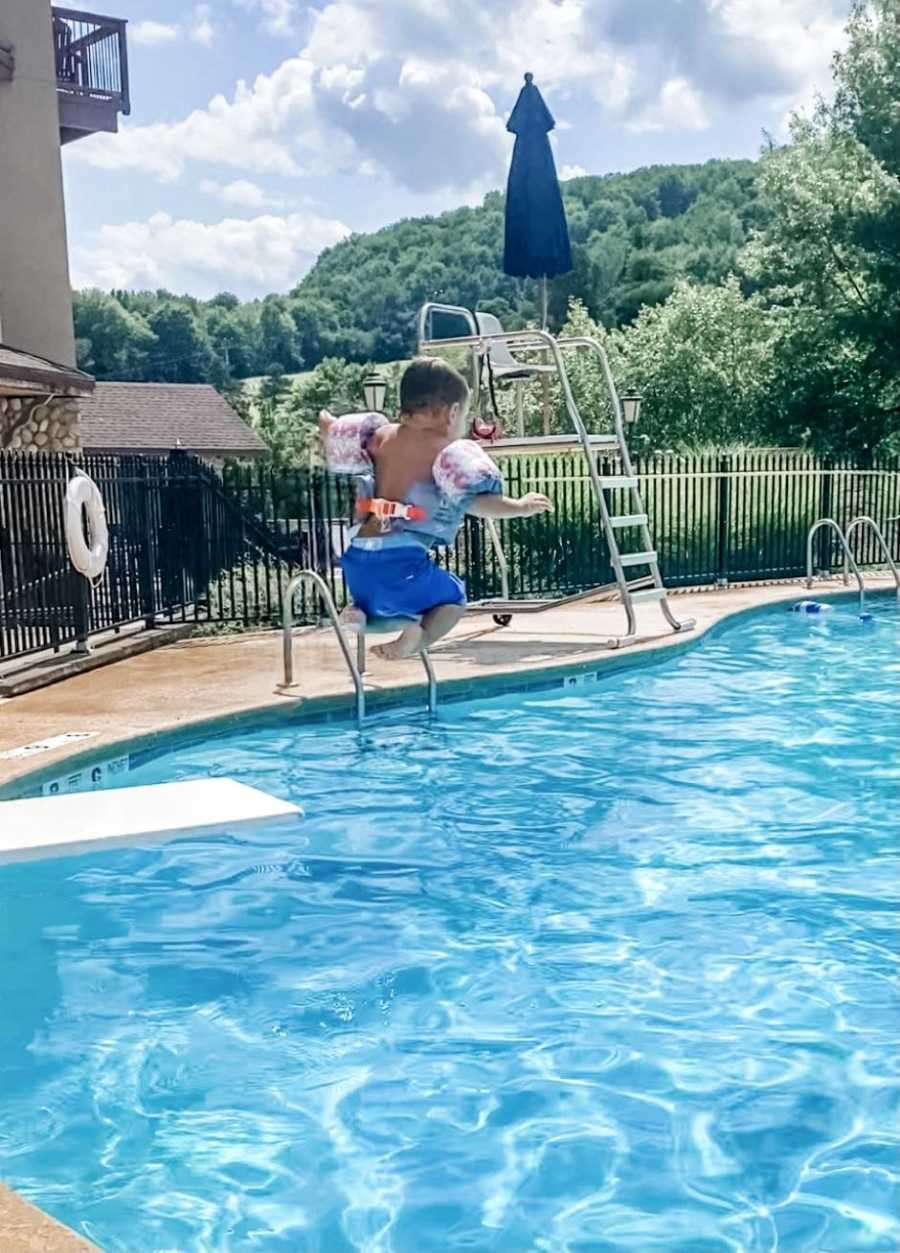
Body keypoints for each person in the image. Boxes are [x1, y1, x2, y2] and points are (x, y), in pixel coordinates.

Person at [320, 357, 552, 660]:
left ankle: (357, 614)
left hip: (357, 557)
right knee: (452, 599)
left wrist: (329, 425)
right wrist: (520, 507)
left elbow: (333, 433)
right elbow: (476, 502)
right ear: (453, 412)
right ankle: (417, 640)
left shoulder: (380, 437)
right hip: (401, 561)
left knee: (380, 610)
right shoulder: (443, 452)